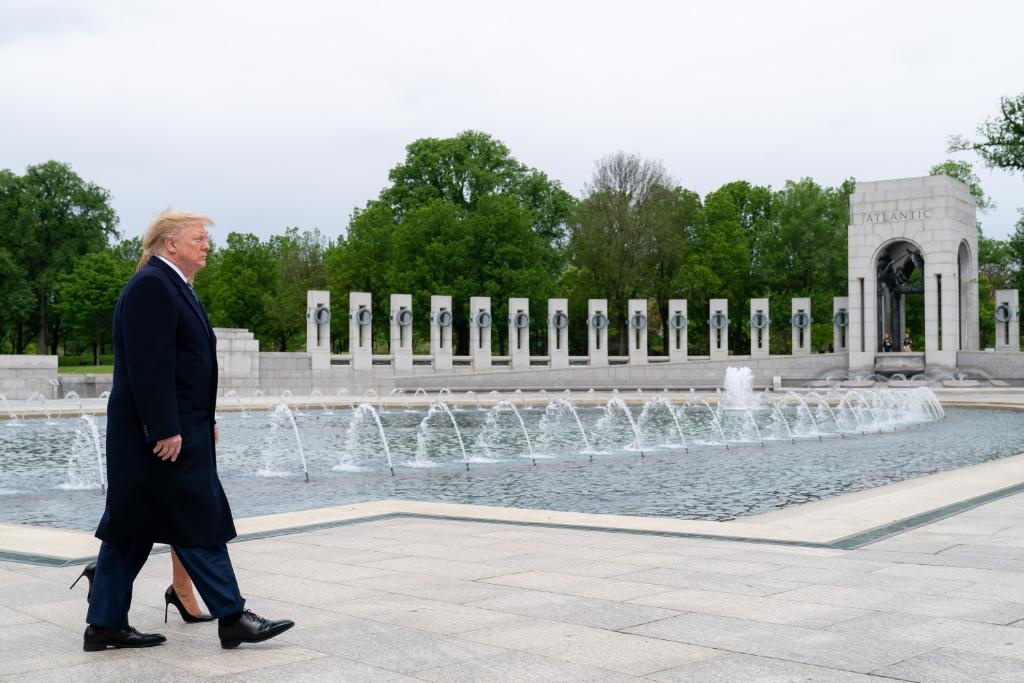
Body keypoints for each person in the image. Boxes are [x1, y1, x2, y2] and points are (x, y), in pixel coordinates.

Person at [82, 210, 293, 651]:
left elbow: (183, 367)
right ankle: (232, 615)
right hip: (159, 437)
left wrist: (206, 420)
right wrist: (164, 428)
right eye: (199, 238)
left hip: (174, 430)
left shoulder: (172, 285)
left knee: (132, 529)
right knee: (197, 517)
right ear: (170, 243)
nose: (207, 245)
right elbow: (148, 367)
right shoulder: (153, 286)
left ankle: (104, 625)